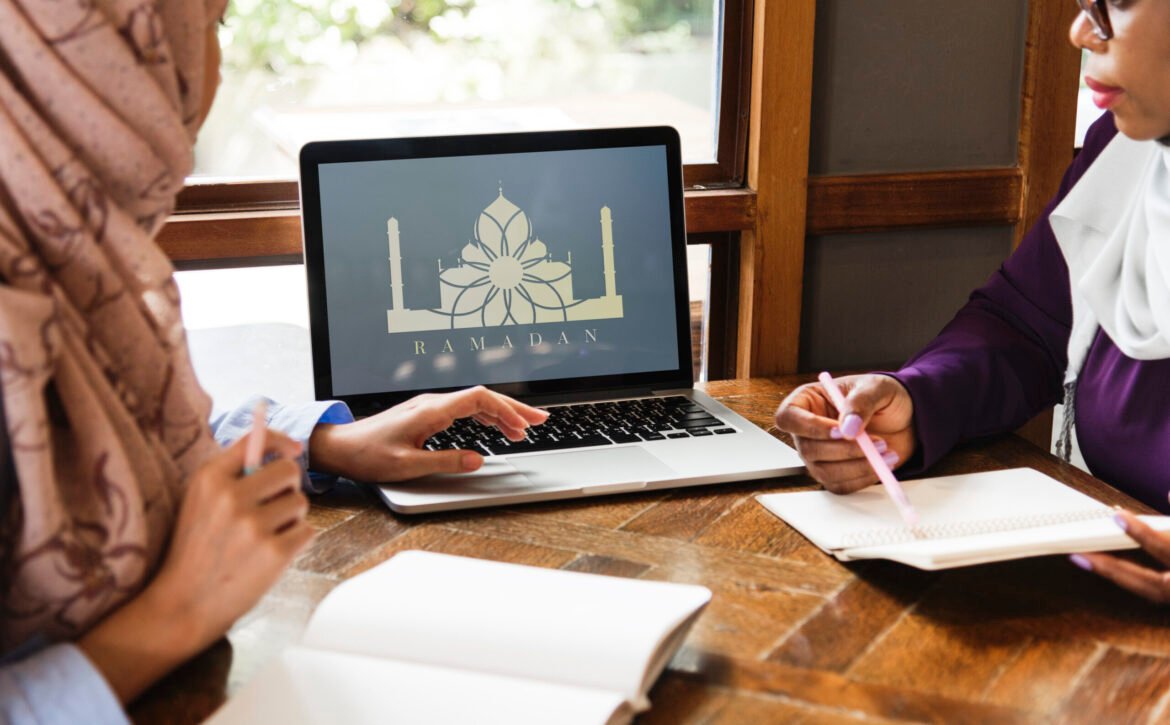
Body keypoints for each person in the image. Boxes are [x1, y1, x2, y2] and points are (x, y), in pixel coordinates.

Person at [0, 0, 547, 721]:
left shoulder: (68, 249)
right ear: (96, 54)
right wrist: (177, 611)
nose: (216, 71)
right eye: (213, 26)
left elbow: (127, 439)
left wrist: (323, 442)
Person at [774, 0, 1170, 603]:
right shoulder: (1126, 156)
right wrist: (918, 401)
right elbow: (1026, 326)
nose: (1080, 31)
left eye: (1115, 2)